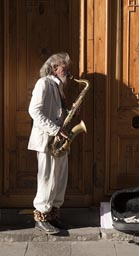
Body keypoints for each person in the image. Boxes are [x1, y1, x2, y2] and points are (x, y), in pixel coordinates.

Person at [28, 52, 71, 234]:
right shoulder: (43, 83)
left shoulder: (58, 86)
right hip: (47, 140)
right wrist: (55, 129)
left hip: (58, 141)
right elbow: (34, 111)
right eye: (65, 68)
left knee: (59, 179)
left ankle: (53, 214)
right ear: (54, 67)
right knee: (46, 179)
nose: (68, 72)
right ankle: (41, 217)